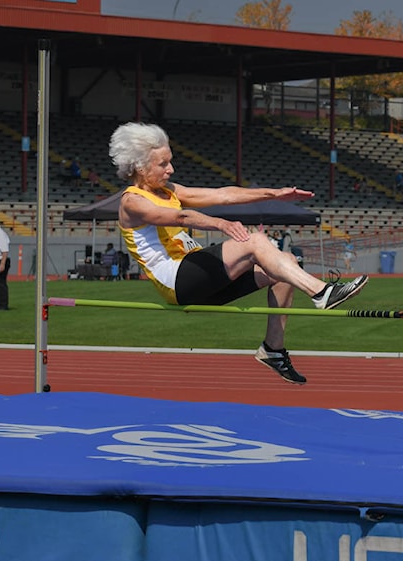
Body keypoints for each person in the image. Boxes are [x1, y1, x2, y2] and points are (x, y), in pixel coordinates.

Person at [109, 121, 368, 385]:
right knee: (255, 242)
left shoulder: (170, 191)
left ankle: (273, 350)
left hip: (198, 278)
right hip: (177, 281)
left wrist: (274, 194)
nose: (171, 169)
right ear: (140, 167)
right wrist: (220, 223)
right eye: (163, 164)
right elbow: (180, 216)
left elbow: (224, 195)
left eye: (170, 162)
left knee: (284, 266)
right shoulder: (132, 202)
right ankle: (322, 292)